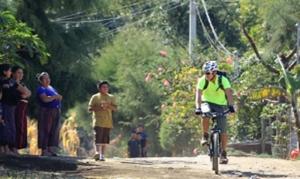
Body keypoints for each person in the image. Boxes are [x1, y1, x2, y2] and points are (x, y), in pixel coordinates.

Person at [195, 61, 235, 164]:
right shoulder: (202, 80)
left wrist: (231, 106)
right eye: (205, 73)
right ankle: (205, 135)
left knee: (223, 131)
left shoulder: (223, 80)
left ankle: (224, 153)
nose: (206, 75)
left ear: (214, 72)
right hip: (206, 102)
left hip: (221, 105)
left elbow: (229, 93)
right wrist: (198, 107)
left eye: (208, 73)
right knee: (205, 114)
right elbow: (198, 95)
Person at [88, 80, 117, 161]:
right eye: (104, 87)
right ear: (99, 88)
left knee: (105, 139)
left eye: (107, 87)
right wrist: (100, 107)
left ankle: (102, 155)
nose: (106, 88)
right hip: (98, 121)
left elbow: (115, 108)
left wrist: (108, 106)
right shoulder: (95, 97)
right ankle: (97, 152)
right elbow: (90, 109)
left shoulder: (111, 97)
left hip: (108, 122)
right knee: (97, 137)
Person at [36, 72, 62, 156]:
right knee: (45, 129)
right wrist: (54, 97)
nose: (47, 80)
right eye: (45, 79)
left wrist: (57, 97)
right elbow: (45, 99)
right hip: (46, 111)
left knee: (53, 130)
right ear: (41, 80)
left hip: (55, 110)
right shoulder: (41, 88)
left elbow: (58, 97)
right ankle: (44, 149)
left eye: (48, 78)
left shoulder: (51, 88)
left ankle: (50, 148)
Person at [12, 66, 31, 151]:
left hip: (23, 108)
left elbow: (29, 93)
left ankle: (18, 146)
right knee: (15, 125)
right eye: (19, 72)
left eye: (22, 73)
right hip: (16, 107)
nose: (21, 75)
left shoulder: (22, 84)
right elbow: (24, 92)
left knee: (22, 126)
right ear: (13, 73)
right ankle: (12, 146)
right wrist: (24, 93)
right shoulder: (12, 83)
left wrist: (25, 93)